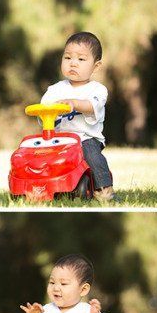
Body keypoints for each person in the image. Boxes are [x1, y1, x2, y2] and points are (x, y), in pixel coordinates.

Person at [40, 31, 116, 203]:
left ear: (96, 66)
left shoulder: (97, 90)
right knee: (39, 153)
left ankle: (104, 189)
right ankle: (41, 186)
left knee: (90, 153)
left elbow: (91, 107)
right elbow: (43, 109)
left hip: (85, 138)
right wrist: (45, 111)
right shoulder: (55, 89)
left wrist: (73, 104)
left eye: (81, 59)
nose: (73, 63)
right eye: (68, 58)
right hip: (58, 139)